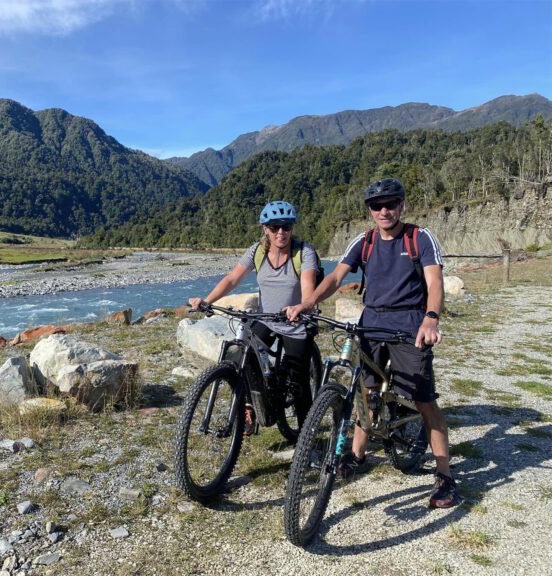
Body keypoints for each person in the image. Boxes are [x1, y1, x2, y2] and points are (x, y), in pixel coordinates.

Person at [286, 178, 459, 509]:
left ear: (401, 205)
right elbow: (336, 277)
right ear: (370, 210)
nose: (384, 211)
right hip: (372, 321)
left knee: (424, 400)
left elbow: (434, 280)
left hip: (411, 323)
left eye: (390, 204)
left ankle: (445, 475)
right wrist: (307, 303)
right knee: (365, 391)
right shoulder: (364, 241)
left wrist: (431, 318)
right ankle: (356, 455)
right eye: (377, 206)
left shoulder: (419, 237)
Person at [188, 200, 319, 437]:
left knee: (298, 383)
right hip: (267, 318)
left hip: (297, 322)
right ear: (265, 229)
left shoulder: (303, 252)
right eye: (275, 226)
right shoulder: (257, 251)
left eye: (286, 227)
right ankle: (250, 406)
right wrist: (207, 300)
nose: (281, 232)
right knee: (243, 356)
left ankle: (307, 438)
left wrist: (302, 306)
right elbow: (232, 279)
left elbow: (308, 284)